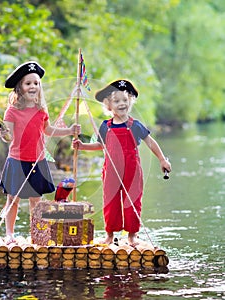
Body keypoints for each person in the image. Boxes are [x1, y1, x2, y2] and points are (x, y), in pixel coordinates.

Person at [73, 79, 171, 246]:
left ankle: (132, 235)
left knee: (132, 201)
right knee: (110, 202)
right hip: (111, 170)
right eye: (116, 101)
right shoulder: (105, 126)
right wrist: (83, 146)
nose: (121, 104)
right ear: (108, 106)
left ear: (130, 102)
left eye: (125, 100)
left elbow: (150, 142)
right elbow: (100, 146)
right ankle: (110, 234)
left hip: (131, 170)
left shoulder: (135, 125)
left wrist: (162, 159)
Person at [0, 61, 80, 244]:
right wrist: (4, 134)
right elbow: (9, 137)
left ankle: (37, 233)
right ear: (20, 87)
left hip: (38, 161)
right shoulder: (12, 111)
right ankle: (9, 234)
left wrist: (69, 130)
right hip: (17, 161)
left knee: (36, 200)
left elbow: (48, 130)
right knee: (13, 199)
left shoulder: (41, 109)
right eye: (28, 83)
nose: (33, 86)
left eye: (36, 83)